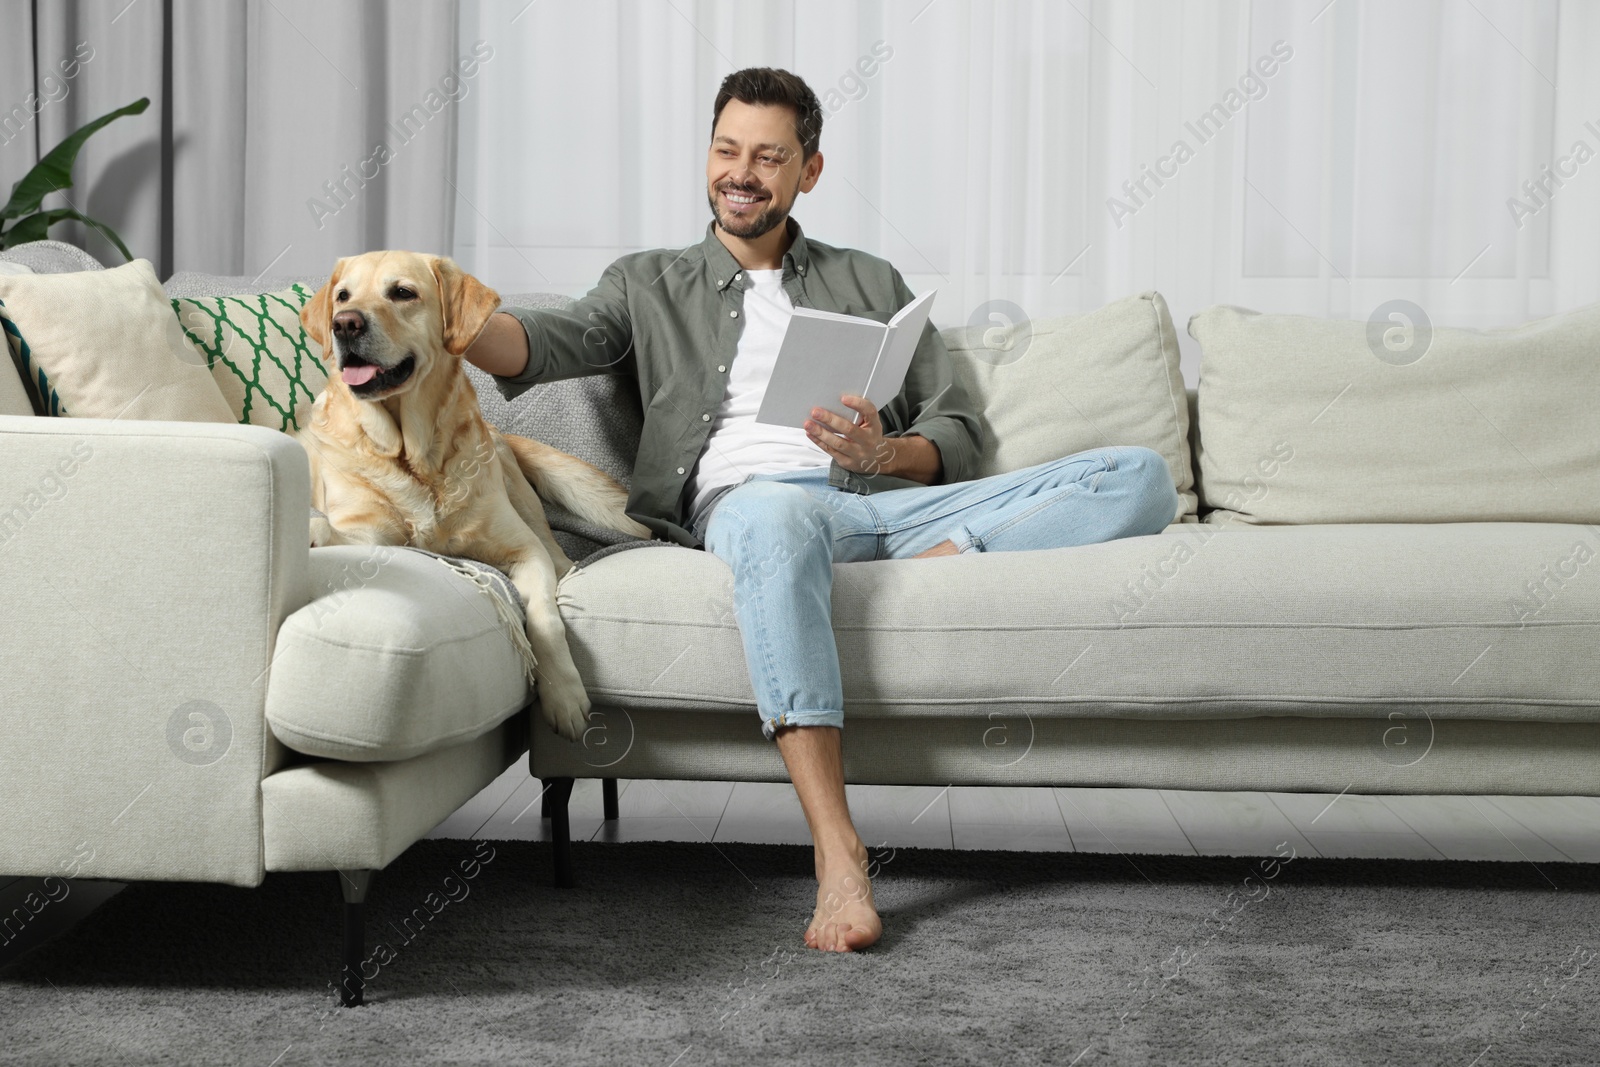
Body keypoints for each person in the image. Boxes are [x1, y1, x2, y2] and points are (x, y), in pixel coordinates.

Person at [464, 67, 1178, 953]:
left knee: (1139, 476)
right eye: (727, 150)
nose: (742, 172)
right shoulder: (649, 282)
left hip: (885, 504)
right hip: (754, 508)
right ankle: (839, 850)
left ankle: (947, 549)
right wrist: (455, 319)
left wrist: (887, 453)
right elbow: (543, 343)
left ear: (811, 169)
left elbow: (956, 426)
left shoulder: (867, 278)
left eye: (769, 156)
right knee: (773, 521)